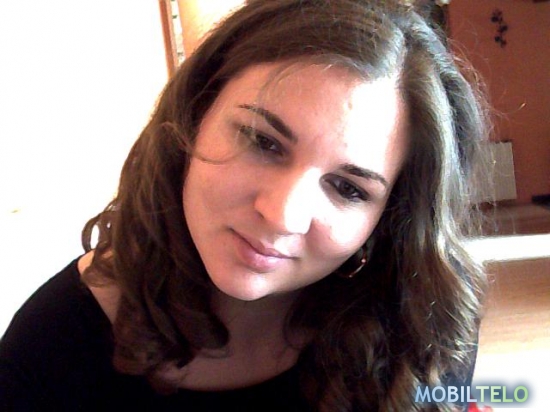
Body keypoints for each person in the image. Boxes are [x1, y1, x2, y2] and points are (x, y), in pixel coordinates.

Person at [0, 0, 490, 410]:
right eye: (263, 141)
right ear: (194, 116)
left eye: (348, 188)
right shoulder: (52, 344)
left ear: (387, 220)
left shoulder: (424, 328)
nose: (282, 215)